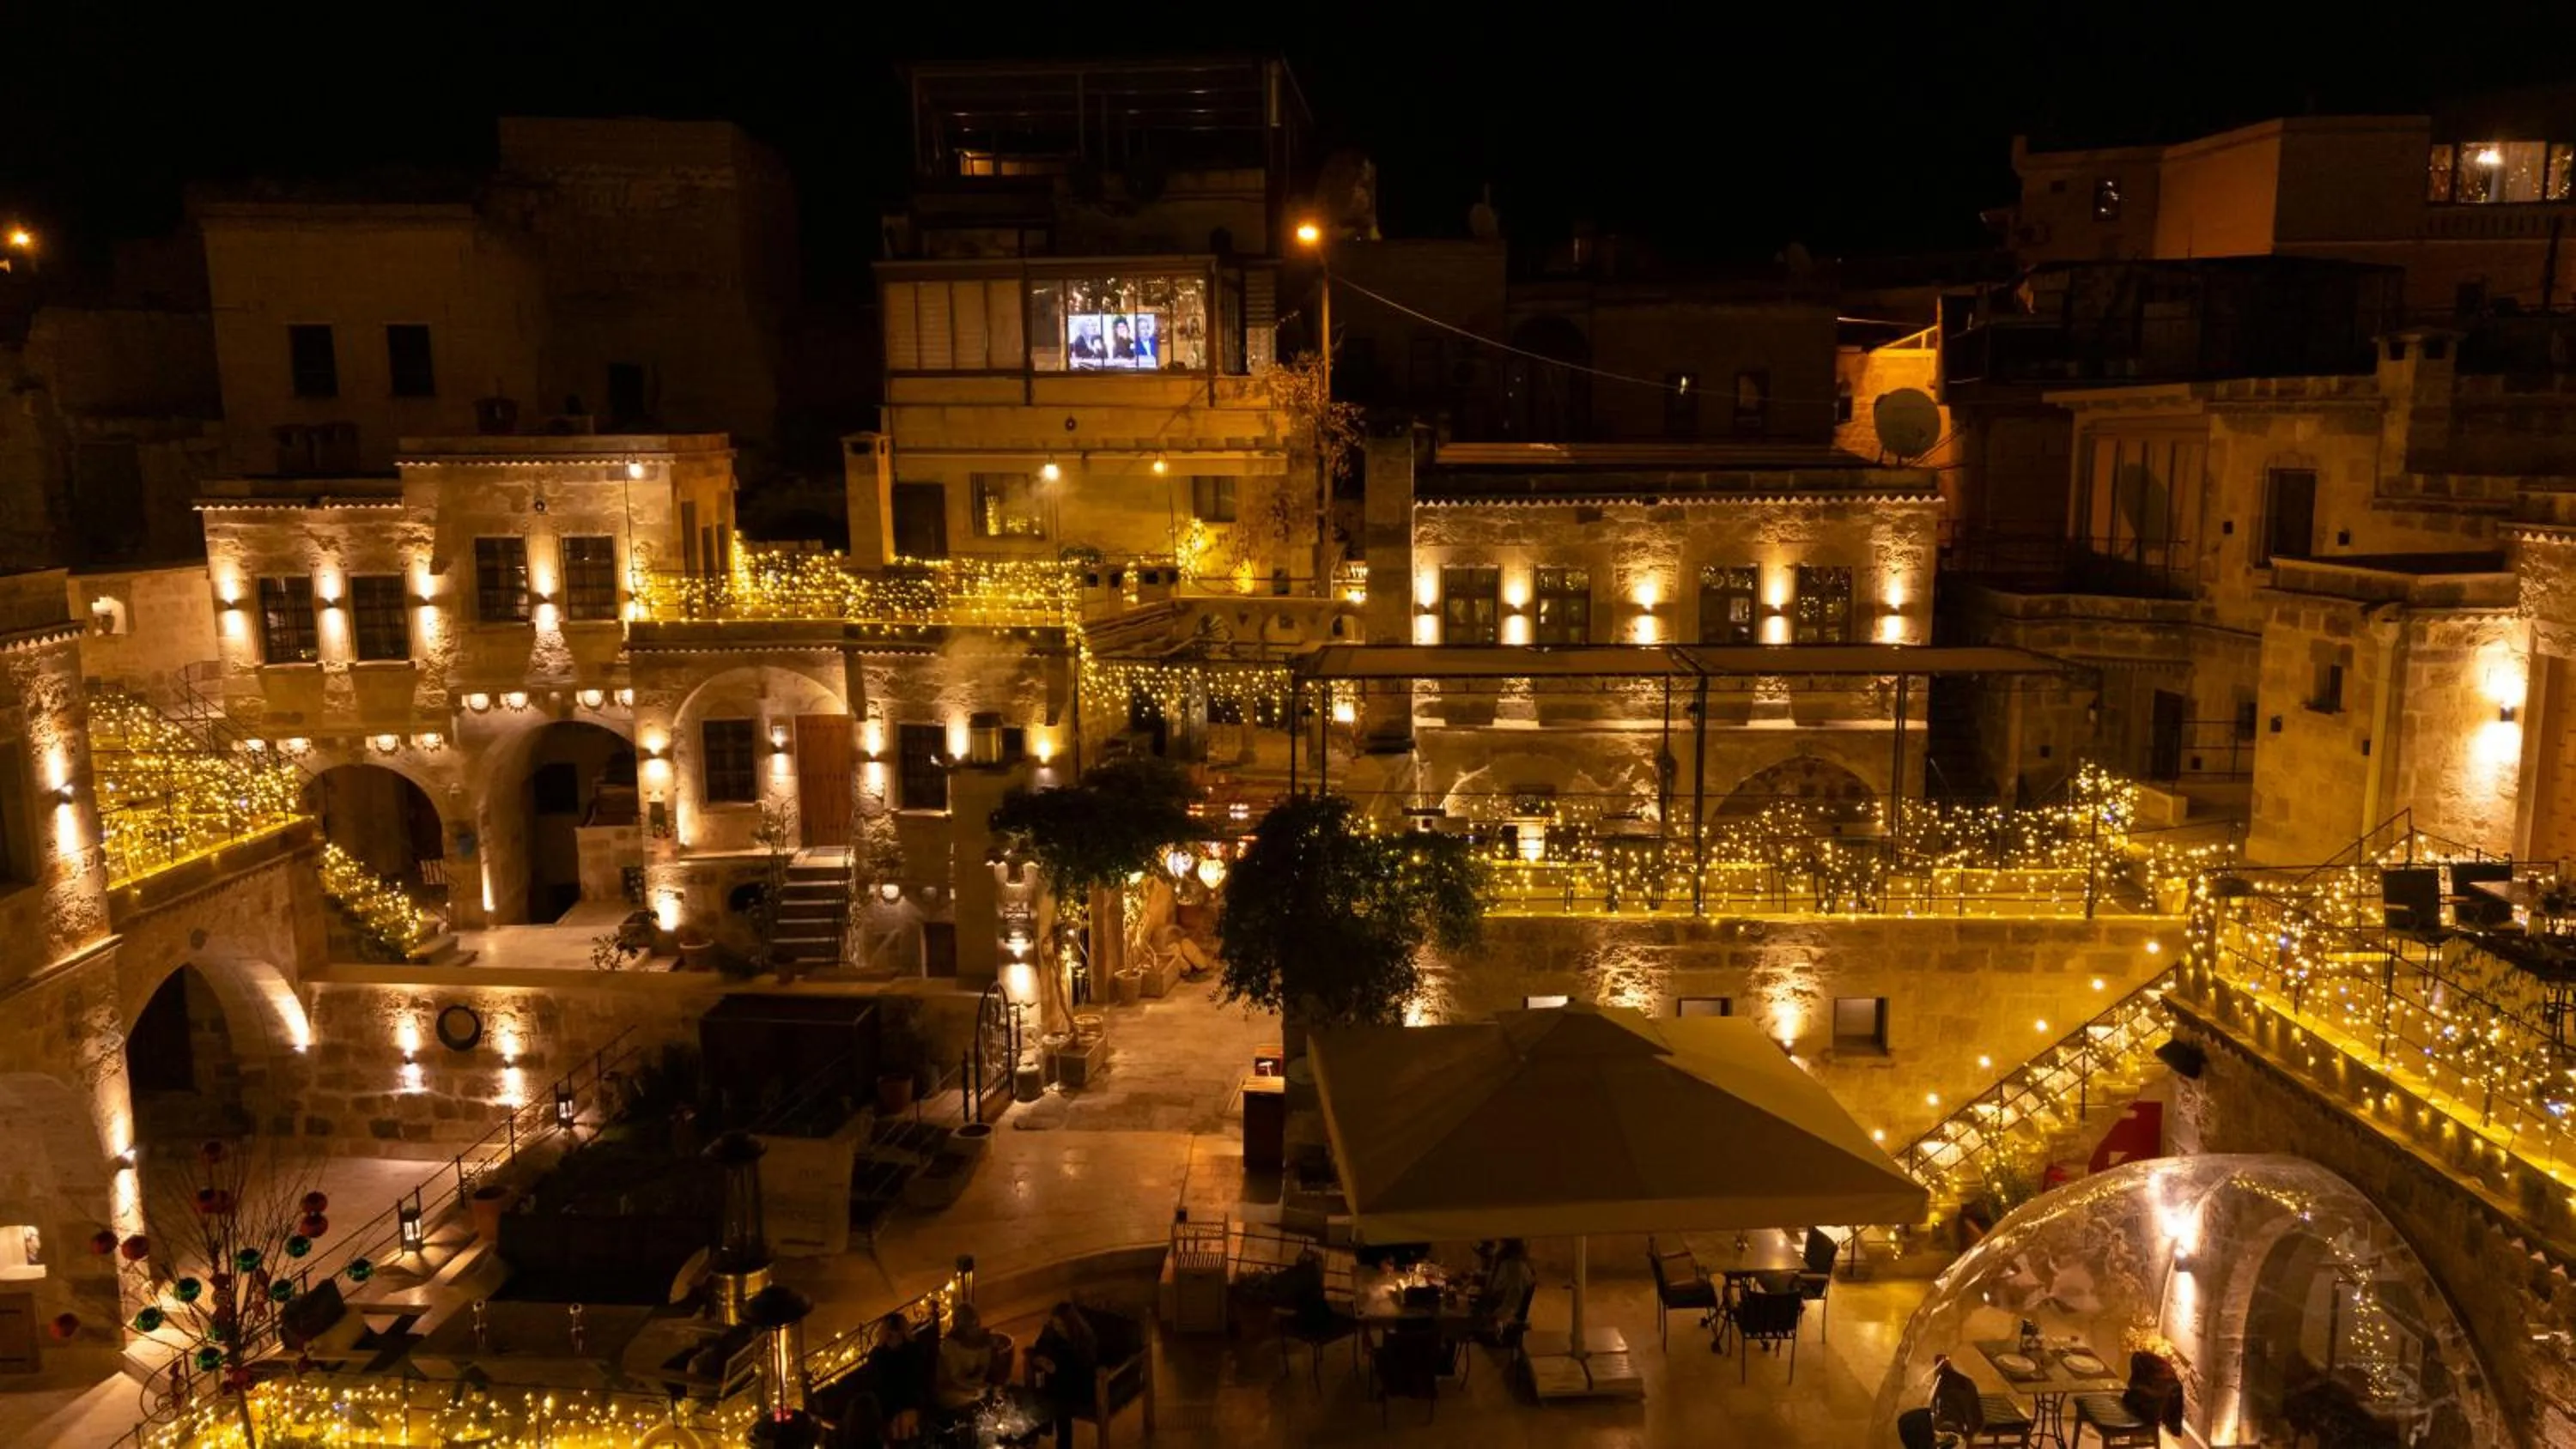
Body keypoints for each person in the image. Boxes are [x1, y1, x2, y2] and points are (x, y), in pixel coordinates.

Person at [1026, 1301, 1099, 1449]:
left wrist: (1057, 1370)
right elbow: (1039, 1348)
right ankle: (1032, 1435)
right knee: (1035, 1396)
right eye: (1055, 1324)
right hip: (1056, 1382)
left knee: (1060, 1405)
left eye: (1061, 1325)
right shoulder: (1051, 1332)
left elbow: (1083, 1372)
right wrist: (1039, 1359)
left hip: (1078, 1386)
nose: (1057, 1328)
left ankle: (1064, 1445)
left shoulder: (1082, 1340)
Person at [864, 1312, 928, 1443]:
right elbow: (877, 1381)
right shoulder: (879, 1355)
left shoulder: (912, 1350)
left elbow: (917, 1377)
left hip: (905, 1404)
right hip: (891, 1406)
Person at [933, 1303, 993, 1413]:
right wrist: (973, 1389)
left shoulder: (982, 1340)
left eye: (976, 1325)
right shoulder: (949, 1345)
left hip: (972, 1385)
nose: (975, 1329)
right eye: (970, 1326)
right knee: (973, 1401)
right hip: (951, 1388)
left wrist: (979, 1383)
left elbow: (982, 1368)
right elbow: (954, 1378)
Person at [1477, 1239, 1536, 1343]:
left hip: (1500, 1330)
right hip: (1493, 1316)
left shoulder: (1515, 1269)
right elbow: (1499, 1284)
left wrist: (1489, 1319)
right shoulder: (1507, 1264)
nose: (1494, 1249)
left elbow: (1511, 1306)